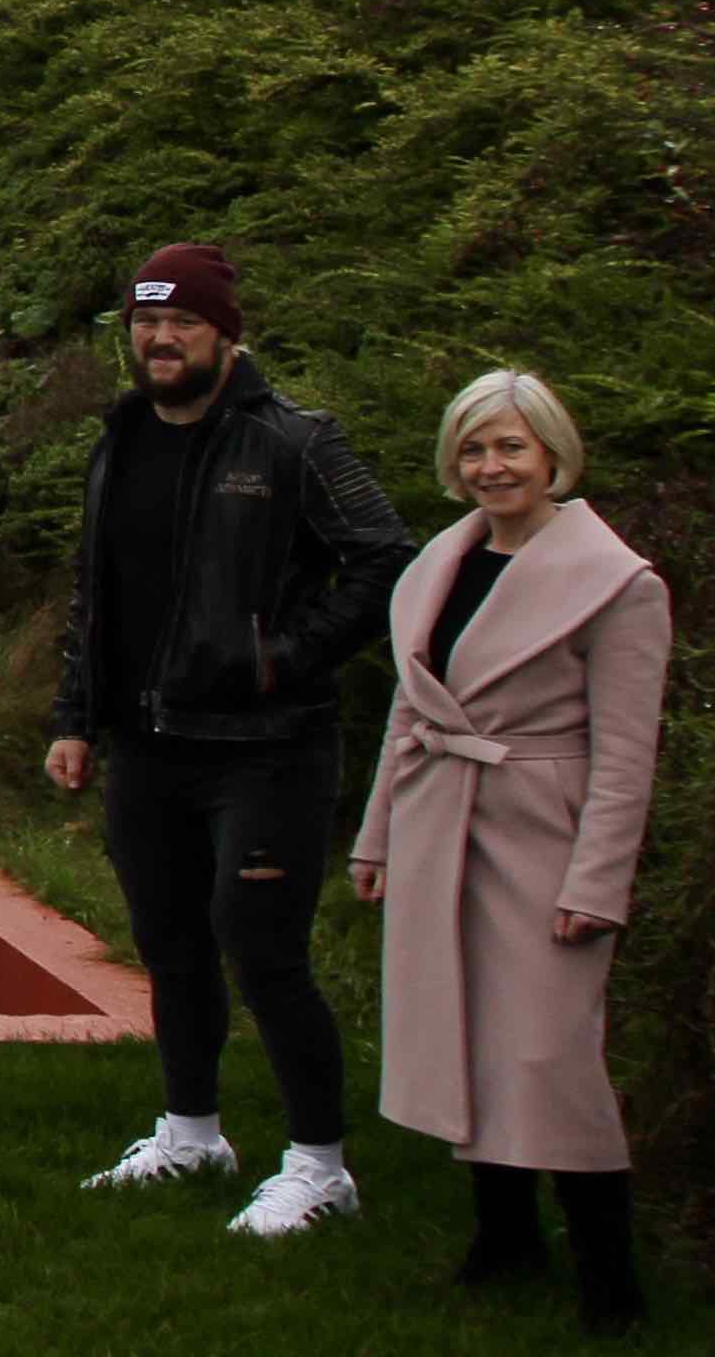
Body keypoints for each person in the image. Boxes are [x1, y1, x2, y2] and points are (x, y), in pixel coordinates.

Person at [42, 244, 410, 1236]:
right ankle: (191, 1131)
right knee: (169, 944)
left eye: (182, 325)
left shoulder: (291, 442)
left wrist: (278, 658)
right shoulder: (118, 439)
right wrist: (75, 718)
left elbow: (384, 560)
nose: (160, 341)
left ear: (224, 336)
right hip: (145, 741)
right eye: (144, 324)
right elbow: (95, 594)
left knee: (261, 948)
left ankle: (319, 1164)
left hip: (264, 744)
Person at [349, 370, 665, 1331]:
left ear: (552, 454)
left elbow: (624, 756)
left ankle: (610, 1276)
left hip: (543, 834)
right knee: (465, 1040)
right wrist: (377, 837)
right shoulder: (440, 564)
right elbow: (411, 710)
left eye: (510, 447)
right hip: (441, 818)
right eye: (474, 450)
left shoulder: (617, 584)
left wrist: (596, 883)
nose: (492, 467)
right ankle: (505, 1237)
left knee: (546, 1055)